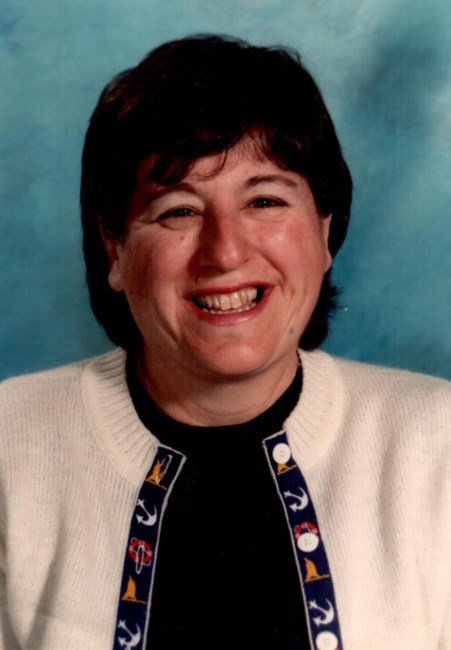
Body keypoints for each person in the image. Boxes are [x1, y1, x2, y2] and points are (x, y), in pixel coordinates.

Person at [1, 34, 450, 650]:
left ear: (324, 231)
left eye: (264, 200)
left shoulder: (437, 446)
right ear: (115, 247)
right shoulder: (10, 445)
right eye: (178, 211)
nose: (225, 253)